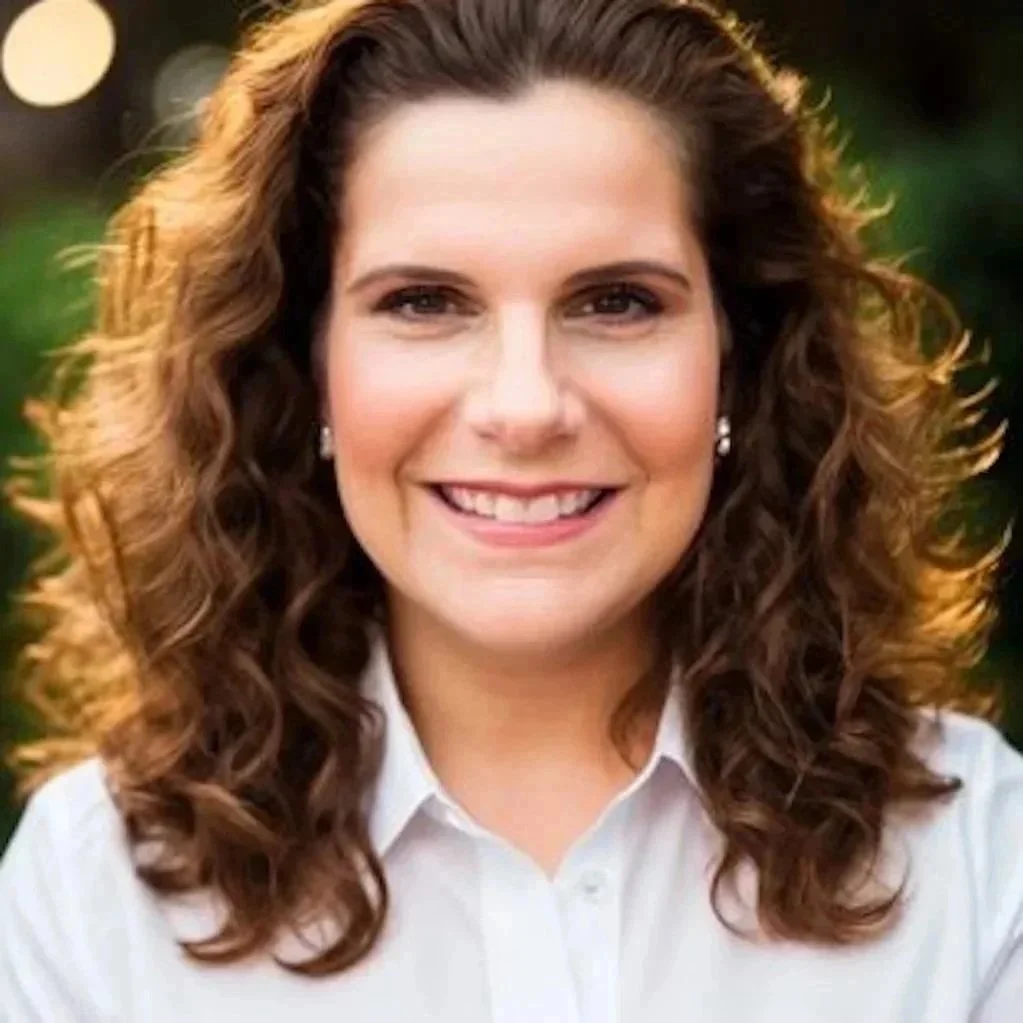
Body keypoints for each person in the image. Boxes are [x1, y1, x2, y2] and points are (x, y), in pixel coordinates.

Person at [0, 0, 1020, 1019]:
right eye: (425, 302)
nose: (525, 407)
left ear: (736, 360)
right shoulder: (98, 899)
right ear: (304, 367)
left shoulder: (976, 863)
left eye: (616, 301)